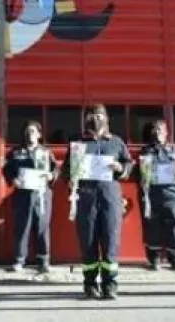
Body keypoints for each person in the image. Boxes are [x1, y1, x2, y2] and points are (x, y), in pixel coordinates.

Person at [60, 104, 133, 300]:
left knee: (111, 242)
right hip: (86, 199)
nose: (96, 118)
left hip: (110, 198)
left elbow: (129, 165)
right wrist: (71, 176)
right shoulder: (77, 143)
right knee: (88, 242)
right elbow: (65, 170)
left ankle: (110, 285)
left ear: (107, 118)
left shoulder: (116, 142)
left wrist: (120, 167)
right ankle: (90, 284)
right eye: (91, 115)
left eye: (99, 115)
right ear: (85, 119)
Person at [2, 120, 58, 274]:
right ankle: (20, 260)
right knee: (22, 227)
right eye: (27, 131)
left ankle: (43, 260)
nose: (30, 134)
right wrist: (13, 179)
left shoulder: (46, 152)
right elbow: (6, 170)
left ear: (39, 134)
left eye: (33, 131)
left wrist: (51, 175)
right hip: (23, 194)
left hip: (41, 194)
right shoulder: (15, 152)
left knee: (42, 226)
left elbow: (55, 170)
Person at [136, 119, 175, 271]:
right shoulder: (145, 151)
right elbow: (137, 174)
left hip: (172, 194)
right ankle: (154, 258)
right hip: (152, 195)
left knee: (174, 224)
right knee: (152, 225)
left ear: (166, 133)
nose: (157, 133)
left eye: (160, 130)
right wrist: (142, 175)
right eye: (155, 130)